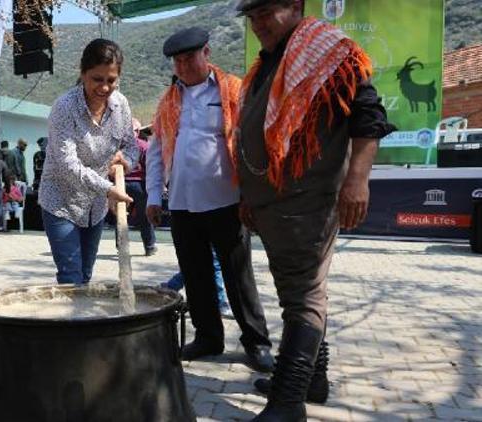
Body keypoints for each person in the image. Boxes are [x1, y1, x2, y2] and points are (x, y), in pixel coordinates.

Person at [234, 1, 396, 419]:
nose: (258, 24)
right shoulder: (268, 63)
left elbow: (369, 117)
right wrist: (248, 196)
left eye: (266, 12)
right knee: (296, 294)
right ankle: (313, 380)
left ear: (295, 5)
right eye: (252, 18)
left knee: (304, 296)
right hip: (271, 204)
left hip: (308, 202)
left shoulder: (330, 51)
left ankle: (288, 402)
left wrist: (357, 180)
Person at [146, 27, 273, 370]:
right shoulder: (169, 100)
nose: (183, 66)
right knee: (195, 272)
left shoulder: (234, 89)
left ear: (207, 52)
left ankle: (257, 342)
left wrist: (254, 194)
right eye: (177, 61)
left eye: (189, 57)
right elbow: (156, 151)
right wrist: (154, 196)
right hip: (183, 203)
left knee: (237, 275)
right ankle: (208, 338)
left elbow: (251, 142)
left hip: (226, 200)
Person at [39, 38, 137, 285]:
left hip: (95, 206)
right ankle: (70, 323)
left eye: (111, 80)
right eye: (97, 79)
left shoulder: (121, 104)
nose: (104, 88)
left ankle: (81, 321)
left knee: (85, 273)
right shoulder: (64, 107)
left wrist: (125, 161)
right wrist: (108, 189)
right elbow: (67, 164)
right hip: (60, 200)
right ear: (82, 74)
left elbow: (131, 145)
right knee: (71, 276)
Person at [124, 118, 156, 256]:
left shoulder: (117, 146)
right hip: (139, 184)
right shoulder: (144, 146)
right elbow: (151, 167)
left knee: (121, 217)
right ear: (137, 131)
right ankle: (149, 246)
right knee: (144, 217)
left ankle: (121, 246)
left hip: (122, 184)